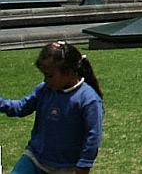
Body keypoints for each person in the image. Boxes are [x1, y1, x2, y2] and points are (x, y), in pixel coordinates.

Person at [0, 41, 103, 173]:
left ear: (69, 72)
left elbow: (93, 135)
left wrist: (84, 164)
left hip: (67, 166)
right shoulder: (44, 90)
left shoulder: (88, 99)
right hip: (35, 159)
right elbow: (21, 107)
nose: (45, 80)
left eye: (49, 75)